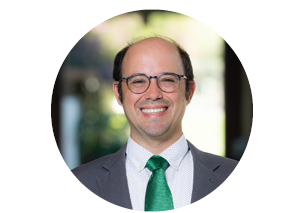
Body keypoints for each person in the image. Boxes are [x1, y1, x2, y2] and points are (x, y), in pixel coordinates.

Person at [72, 36, 238, 211]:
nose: (153, 94)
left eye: (167, 79)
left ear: (189, 91)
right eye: (138, 81)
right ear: (119, 94)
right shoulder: (78, 185)